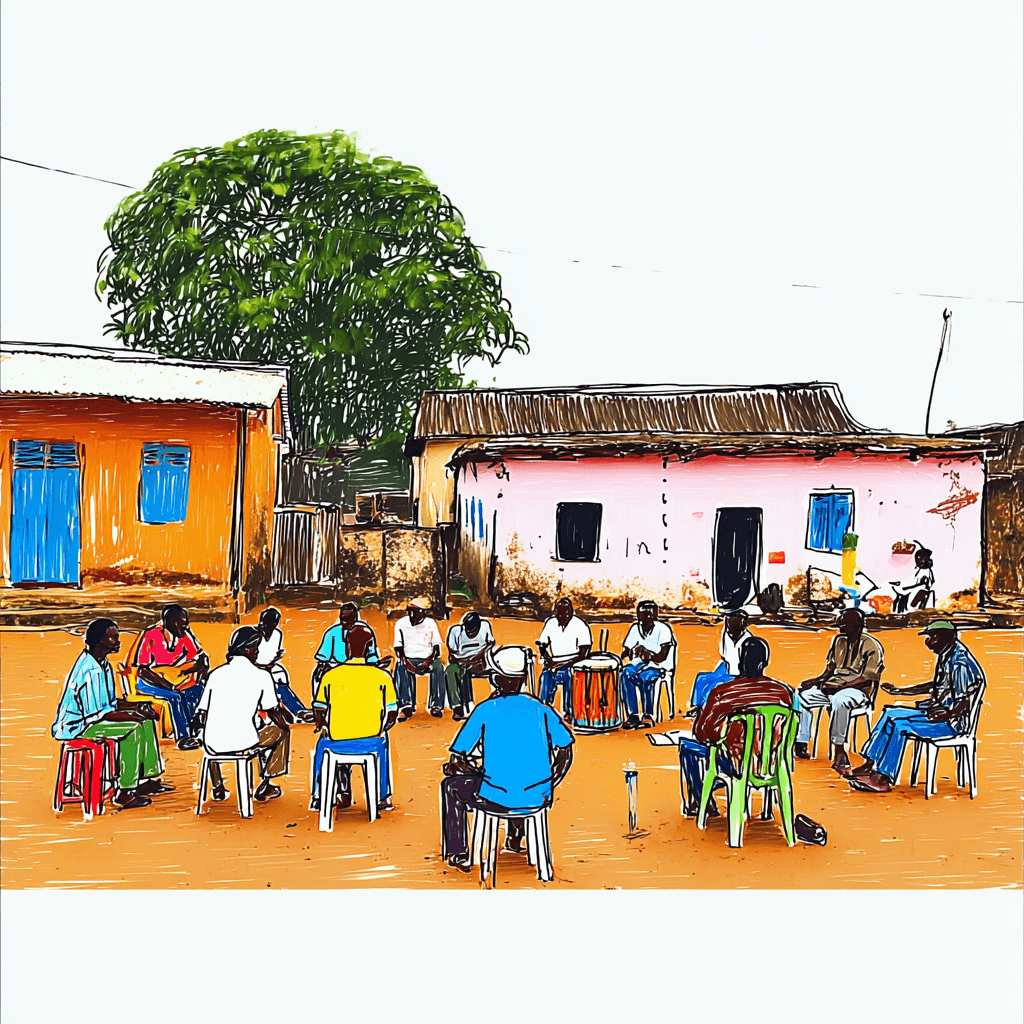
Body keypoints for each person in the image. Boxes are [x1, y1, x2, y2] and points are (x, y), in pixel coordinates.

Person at [441, 647, 575, 872]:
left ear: (496, 679)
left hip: (496, 795)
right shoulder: (541, 708)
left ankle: (458, 852)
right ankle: (514, 838)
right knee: (518, 778)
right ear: (522, 679)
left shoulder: (485, 709)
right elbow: (566, 749)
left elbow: (458, 756)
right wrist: (551, 782)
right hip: (537, 795)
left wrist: (471, 770)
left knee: (452, 787)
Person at [846, 621, 984, 793]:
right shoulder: (947, 654)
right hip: (938, 712)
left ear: (942, 638)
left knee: (900, 726)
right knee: (890, 713)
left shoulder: (959, 663)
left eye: (931, 637)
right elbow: (936, 686)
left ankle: (882, 778)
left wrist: (945, 715)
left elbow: (964, 704)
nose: (928, 642)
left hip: (951, 723)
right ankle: (871, 764)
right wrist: (900, 691)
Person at [52, 618, 170, 810]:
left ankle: (143, 779)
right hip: (78, 727)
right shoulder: (90, 670)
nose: (118, 641)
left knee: (146, 722)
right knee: (133, 729)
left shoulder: (103, 664)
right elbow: (99, 715)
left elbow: (110, 703)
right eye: (113, 638)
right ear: (100, 641)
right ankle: (124, 792)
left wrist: (140, 707)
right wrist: (134, 715)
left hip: (93, 719)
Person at [678, 637, 797, 817]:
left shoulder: (724, 692)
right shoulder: (783, 692)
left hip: (736, 764)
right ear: (765, 663)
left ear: (740, 662)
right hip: (773, 762)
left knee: (687, 747)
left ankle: (701, 801)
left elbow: (702, 733)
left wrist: (723, 733)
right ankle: (766, 808)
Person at [194, 626, 291, 803]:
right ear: (245, 649)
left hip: (213, 744)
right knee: (281, 732)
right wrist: (285, 724)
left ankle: (218, 786)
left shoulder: (215, 674)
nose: (257, 651)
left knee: (211, 733)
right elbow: (272, 711)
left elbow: (203, 711)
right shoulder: (262, 676)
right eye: (255, 647)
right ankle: (267, 783)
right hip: (244, 743)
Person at [310, 623, 398, 814]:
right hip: (371, 742)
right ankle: (382, 797)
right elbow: (392, 714)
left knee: (323, 743)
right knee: (383, 740)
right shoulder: (383, 676)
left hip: (337, 741)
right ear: (369, 647)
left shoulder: (331, 675)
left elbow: (319, 709)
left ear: (346, 647)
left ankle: (320, 795)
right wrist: (380, 728)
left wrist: (323, 723)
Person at [793, 608, 884, 772]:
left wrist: (842, 686)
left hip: (859, 691)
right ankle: (801, 741)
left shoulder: (872, 646)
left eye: (843, 623)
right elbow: (830, 669)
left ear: (856, 624)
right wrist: (816, 681)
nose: (839, 626)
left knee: (839, 701)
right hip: (833, 686)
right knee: (801, 696)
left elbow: (868, 678)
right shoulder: (838, 641)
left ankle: (839, 749)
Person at [132, 603, 210, 750]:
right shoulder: (151, 635)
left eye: (185, 623)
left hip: (174, 680)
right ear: (170, 622)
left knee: (197, 691)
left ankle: (195, 731)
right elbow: (143, 671)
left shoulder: (184, 635)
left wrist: (199, 671)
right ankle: (183, 738)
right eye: (181, 624)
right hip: (149, 683)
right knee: (176, 697)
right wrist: (169, 686)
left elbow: (199, 657)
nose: (185, 627)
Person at [618, 601, 674, 730]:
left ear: (655, 615)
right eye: (641, 615)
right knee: (625, 674)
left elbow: (661, 657)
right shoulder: (635, 628)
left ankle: (648, 716)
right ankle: (633, 714)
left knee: (646, 677)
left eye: (648, 615)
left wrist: (646, 653)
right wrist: (626, 654)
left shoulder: (663, 629)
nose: (644, 618)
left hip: (660, 666)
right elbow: (627, 650)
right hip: (640, 664)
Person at [311, 602, 384, 699]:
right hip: (336, 671)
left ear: (355, 618)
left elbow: (372, 657)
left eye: (349, 619)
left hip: (360, 670)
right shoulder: (332, 633)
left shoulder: (364, 633)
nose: (345, 622)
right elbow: (322, 660)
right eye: (343, 619)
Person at [687, 609, 753, 715]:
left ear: (742, 623)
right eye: (728, 620)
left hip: (738, 673)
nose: (729, 624)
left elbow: (747, 665)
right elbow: (723, 653)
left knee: (713, 685)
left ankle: (706, 710)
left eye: (732, 621)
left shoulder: (748, 640)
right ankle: (697, 706)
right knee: (701, 678)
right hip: (726, 666)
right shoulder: (725, 633)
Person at [256, 607, 315, 724]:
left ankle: (298, 711)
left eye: (272, 624)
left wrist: (274, 660)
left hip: (271, 665)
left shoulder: (277, 634)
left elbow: (272, 653)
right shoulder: (254, 634)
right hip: (254, 667)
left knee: (281, 678)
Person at [393, 597, 445, 721]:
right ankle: (406, 706)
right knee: (400, 667)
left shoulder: (431, 623)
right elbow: (398, 647)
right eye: (409, 611)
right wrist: (407, 663)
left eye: (414, 612)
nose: (411, 615)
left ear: (423, 612)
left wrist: (427, 662)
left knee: (438, 667)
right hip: (408, 658)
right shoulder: (401, 623)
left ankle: (436, 705)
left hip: (428, 659)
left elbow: (436, 648)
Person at [536, 598, 592, 715]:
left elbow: (583, 654)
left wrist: (561, 664)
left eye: (565, 614)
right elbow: (542, 645)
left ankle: (569, 712)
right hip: (554, 663)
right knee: (545, 676)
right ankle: (545, 709)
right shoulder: (551, 623)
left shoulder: (580, 625)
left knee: (569, 675)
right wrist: (547, 658)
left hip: (573, 664)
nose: (562, 617)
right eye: (559, 614)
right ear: (555, 613)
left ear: (571, 613)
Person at [445, 611, 495, 721]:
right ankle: (457, 707)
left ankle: (471, 704)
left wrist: (476, 658)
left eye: (473, 632)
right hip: (460, 662)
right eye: (468, 631)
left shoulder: (485, 626)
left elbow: (490, 644)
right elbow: (452, 654)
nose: (470, 634)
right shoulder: (455, 631)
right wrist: (464, 661)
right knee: (450, 670)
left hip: (480, 661)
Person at [891, 546, 935, 613]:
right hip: (918, 589)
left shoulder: (925, 571)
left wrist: (905, 587)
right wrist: (903, 584)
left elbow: (921, 583)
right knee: (901, 592)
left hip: (918, 590)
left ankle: (900, 611)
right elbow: (916, 582)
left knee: (902, 593)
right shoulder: (924, 571)